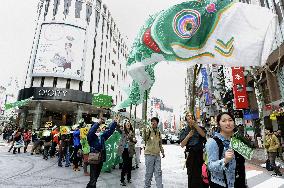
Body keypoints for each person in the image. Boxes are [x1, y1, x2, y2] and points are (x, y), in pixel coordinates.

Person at [206, 112, 247, 188]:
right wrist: (225, 160)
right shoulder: (212, 142)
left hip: (239, 182)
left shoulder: (237, 141)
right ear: (219, 124)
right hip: (222, 184)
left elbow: (240, 165)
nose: (228, 123)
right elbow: (210, 166)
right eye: (224, 121)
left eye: (230, 120)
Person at [86, 115, 120, 188]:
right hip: (94, 158)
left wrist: (115, 122)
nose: (98, 128)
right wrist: (97, 123)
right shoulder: (91, 137)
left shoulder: (102, 136)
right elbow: (91, 132)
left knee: (96, 177)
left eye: (98, 127)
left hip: (101, 158)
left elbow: (110, 131)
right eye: (97, 127)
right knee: (93, 178)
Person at [179, 112, 206, 188]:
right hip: (190, 154)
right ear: (186, 119)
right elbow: (182, 145)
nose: (190, 117)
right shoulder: (184, 130)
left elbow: (203, 135)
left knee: (200, 174)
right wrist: (188, 136)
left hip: (200, 154)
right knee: (191, 174)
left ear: (194, 118)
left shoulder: (199, 128)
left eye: (191, 116)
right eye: (188, 116)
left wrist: (195, 125)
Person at [143, 117, 165, 188]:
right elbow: (144, 138)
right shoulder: (148, 130)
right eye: (152, 121)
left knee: (158, 172)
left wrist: (162, 152)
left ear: (157, 123)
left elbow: (160, 143)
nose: (153, 122)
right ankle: (147, 186)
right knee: (149, 172)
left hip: (157, 155)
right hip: (149, 154)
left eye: (155, 121)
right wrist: (144, 130)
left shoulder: (158, 132)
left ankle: (160, 186)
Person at [117, 120, 137, 186]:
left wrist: (134, 140)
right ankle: (122, 180)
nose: (128, 124)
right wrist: (117, 122)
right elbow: (117, 128)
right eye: (126, 124)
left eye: (129, 123)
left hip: (130, 150)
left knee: (129, 165)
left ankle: (129, 178)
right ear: (124, 125)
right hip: (124, 150)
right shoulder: (123, 131)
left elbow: (135, 140)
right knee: (125, 165)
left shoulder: (132, 132)